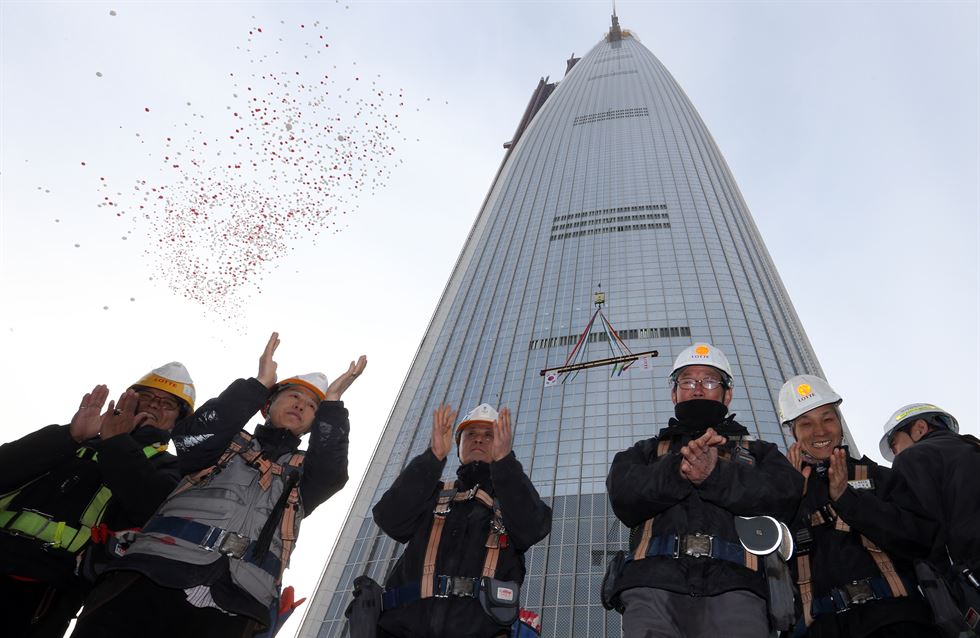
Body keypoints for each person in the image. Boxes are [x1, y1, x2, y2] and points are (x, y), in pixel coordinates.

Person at [71, 333, 366, 638]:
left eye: (312, 406)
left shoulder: (304, 477)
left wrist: (332, 405)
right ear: (266, 405)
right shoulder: (220, 445)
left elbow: (333, 473)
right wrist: (259, 384)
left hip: (237, 604)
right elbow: (195, 433)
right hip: (150, 574)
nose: (300, 406)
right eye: (293, 396)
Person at [606, 342, 802, 638]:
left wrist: (717, 475)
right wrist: (679, 469)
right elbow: (624, 497)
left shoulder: (761, 453)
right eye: (688, 381)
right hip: (653, 588)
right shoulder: (643, 453)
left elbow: (786, 497)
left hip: (737, 588)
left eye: (710, 381)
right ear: (674, 393)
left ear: (728, 393)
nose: (698, 389)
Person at [0, 362, 195, 638]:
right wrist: (69, 436)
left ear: (178, 421)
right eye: (147, 397)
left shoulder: (172, 469)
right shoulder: (76, 439)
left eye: (167, 404)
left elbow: (150, 509)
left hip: (48, 592)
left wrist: (116, 444)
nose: (153, 405)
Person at [371, 403, 552, 637]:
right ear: (458, 446)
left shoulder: (511, 500)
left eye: (489, 435)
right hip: (403, 629)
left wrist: (505, 463)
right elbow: (389, 518)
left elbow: (533, 527)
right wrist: (432, 458)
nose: (478, 440)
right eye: (471, 434)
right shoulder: (431, 493)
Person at [778, 375, 937, 638]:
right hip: (819, 628)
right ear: (793, 433)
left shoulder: (879, 477)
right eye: (806, 423)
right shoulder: (784, 489)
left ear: (840, 423)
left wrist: (847, 499)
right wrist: (787, 502)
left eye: (827, 419)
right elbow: (769, 564)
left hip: (895, 620)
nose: (819, 431)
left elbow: (922, 539)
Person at [877, 403, 979, 634]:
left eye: (895, 445)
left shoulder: (914, 457)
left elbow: (921, 534)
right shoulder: (972, 446)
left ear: (920, 428)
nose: (895, 454)